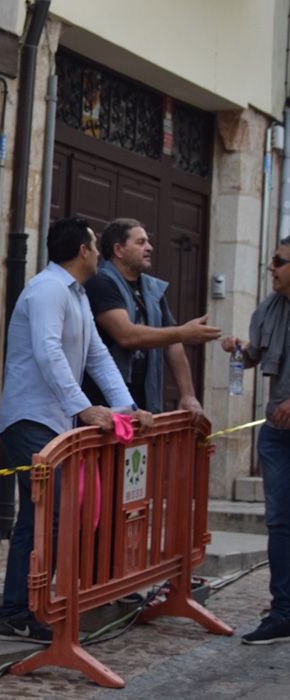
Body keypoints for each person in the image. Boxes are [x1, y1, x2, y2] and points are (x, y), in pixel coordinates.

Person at [0, 216, 153, 643]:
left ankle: (26, 608)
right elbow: (47, 352)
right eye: (95, 246)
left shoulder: (77, 294)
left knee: (47, 515)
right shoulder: (47, 290)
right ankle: (17, 611)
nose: (99, 253)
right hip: (30, 419)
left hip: (54, 419)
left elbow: (98, 356)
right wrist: (84, 409)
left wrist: (125, 408)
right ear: (82, 250)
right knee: (47, 514)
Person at [220, 236, 290, 645]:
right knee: (280, 523)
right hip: (277, 434)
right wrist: (239, 348)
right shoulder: (270, 307)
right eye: (271, 261)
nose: (271, 268)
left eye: (279, 261)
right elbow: (256, 356)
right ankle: (283, 610)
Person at [83, 218, 220, 416]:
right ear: (119, 250)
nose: (150, 248)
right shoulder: (101, 282)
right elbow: (127, 335)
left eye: (147, 242)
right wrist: (182, 332)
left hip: (145, 401)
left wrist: (187, 395)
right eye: (140, 243)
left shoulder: (151, 288)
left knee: (139, 449)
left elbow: (173, 343)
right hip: (106, 403)